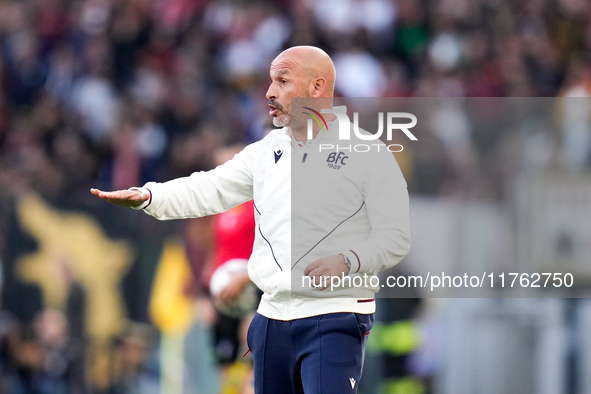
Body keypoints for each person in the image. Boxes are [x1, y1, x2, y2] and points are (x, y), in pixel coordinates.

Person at [91, 46, 410, 393]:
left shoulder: (368, 153)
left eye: (283, 81)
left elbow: (395, 237)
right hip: (271, 318)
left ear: (317, 88)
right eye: (271, 81)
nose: (270, 92)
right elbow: (208, 187)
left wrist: (350, 260)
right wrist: (150, 196)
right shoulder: (265, 152)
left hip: (334, 314)